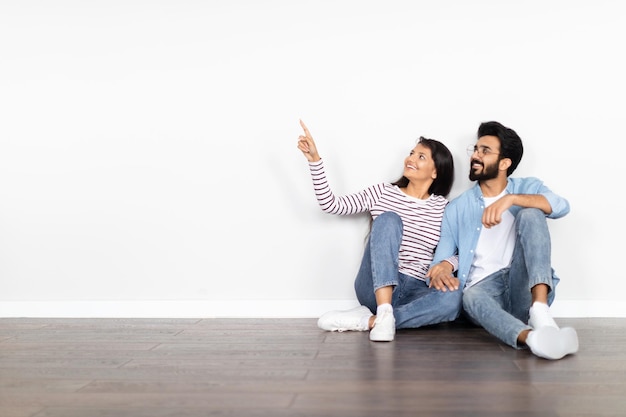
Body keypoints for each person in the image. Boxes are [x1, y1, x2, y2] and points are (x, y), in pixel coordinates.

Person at [297, 119, 461, 342]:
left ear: (435, 172)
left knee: (455, 298)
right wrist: (315, 160)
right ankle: (383, 310)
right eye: (411, 153)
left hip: (416, 289)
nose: (410, 159)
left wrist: (446, 264)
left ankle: (372, 321)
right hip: (375, 286)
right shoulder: (383, 192)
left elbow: (460, 250)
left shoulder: (444, 208)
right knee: (389, 219)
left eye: (420, 156)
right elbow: (331, 205)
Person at [426, 121, 578, 360]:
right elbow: (439, 260)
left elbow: (561, 206)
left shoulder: (528, 187)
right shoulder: (457, 207)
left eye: (485, 151)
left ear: (505, 163)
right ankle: (535, 338)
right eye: (475, 150)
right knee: (470, 296)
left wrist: (513, 200)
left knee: (531, 212)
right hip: (484, 293)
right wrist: (441, 269)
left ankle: (539, 310)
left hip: (521, 285)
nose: (476, 156)